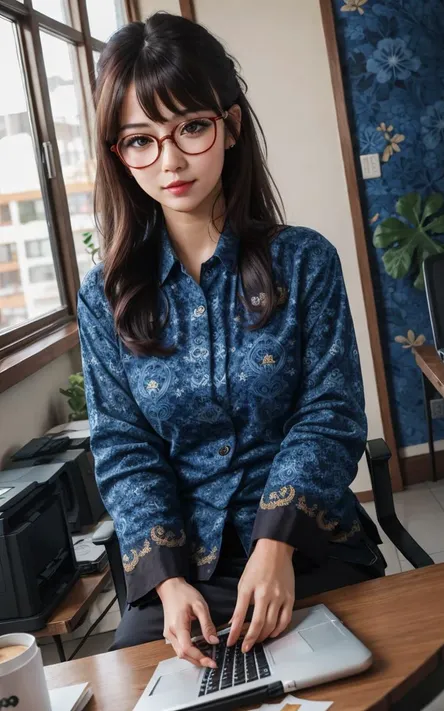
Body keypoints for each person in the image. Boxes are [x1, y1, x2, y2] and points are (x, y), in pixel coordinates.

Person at [77, 11, 386, 669]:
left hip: (304, 543)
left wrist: (274, 548)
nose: (170, 160)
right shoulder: (104, 296)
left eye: (191, 127)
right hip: (184, 571)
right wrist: (166, 578)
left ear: (232, 125)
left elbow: (329, 415)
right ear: (119, 153)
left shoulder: (304, 262)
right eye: (141, 140)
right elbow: (124, 444)